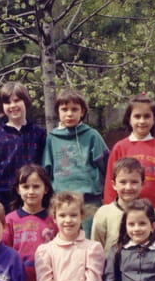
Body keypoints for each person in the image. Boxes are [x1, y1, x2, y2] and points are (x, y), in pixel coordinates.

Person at [42, 88, 109, 236]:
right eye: (64, 109)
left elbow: (106, 166)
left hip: (89, 200)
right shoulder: (52, 138)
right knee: (66, 238)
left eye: (74, 109)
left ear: (82, 111)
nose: (69, 114)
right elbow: (47, 171)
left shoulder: (92, 135)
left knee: (91, 238)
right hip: (63, 200)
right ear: (57, 112)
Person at [102, 94, 155, 210]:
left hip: (153, 211)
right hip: (124, 211)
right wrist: (110, 209)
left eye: (147, 116)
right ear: (129, 119)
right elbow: (111, 183)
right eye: (137, 116)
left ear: (154, 119)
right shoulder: (120, 148)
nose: (142, 121)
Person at [0, 81, 46, 209]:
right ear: (2, 106)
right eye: (7, 102)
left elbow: (42, 165)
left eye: (17, 100)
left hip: (30, 193)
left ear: (26, 101)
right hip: (2, 193)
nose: (13, 105)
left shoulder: (39, 134)